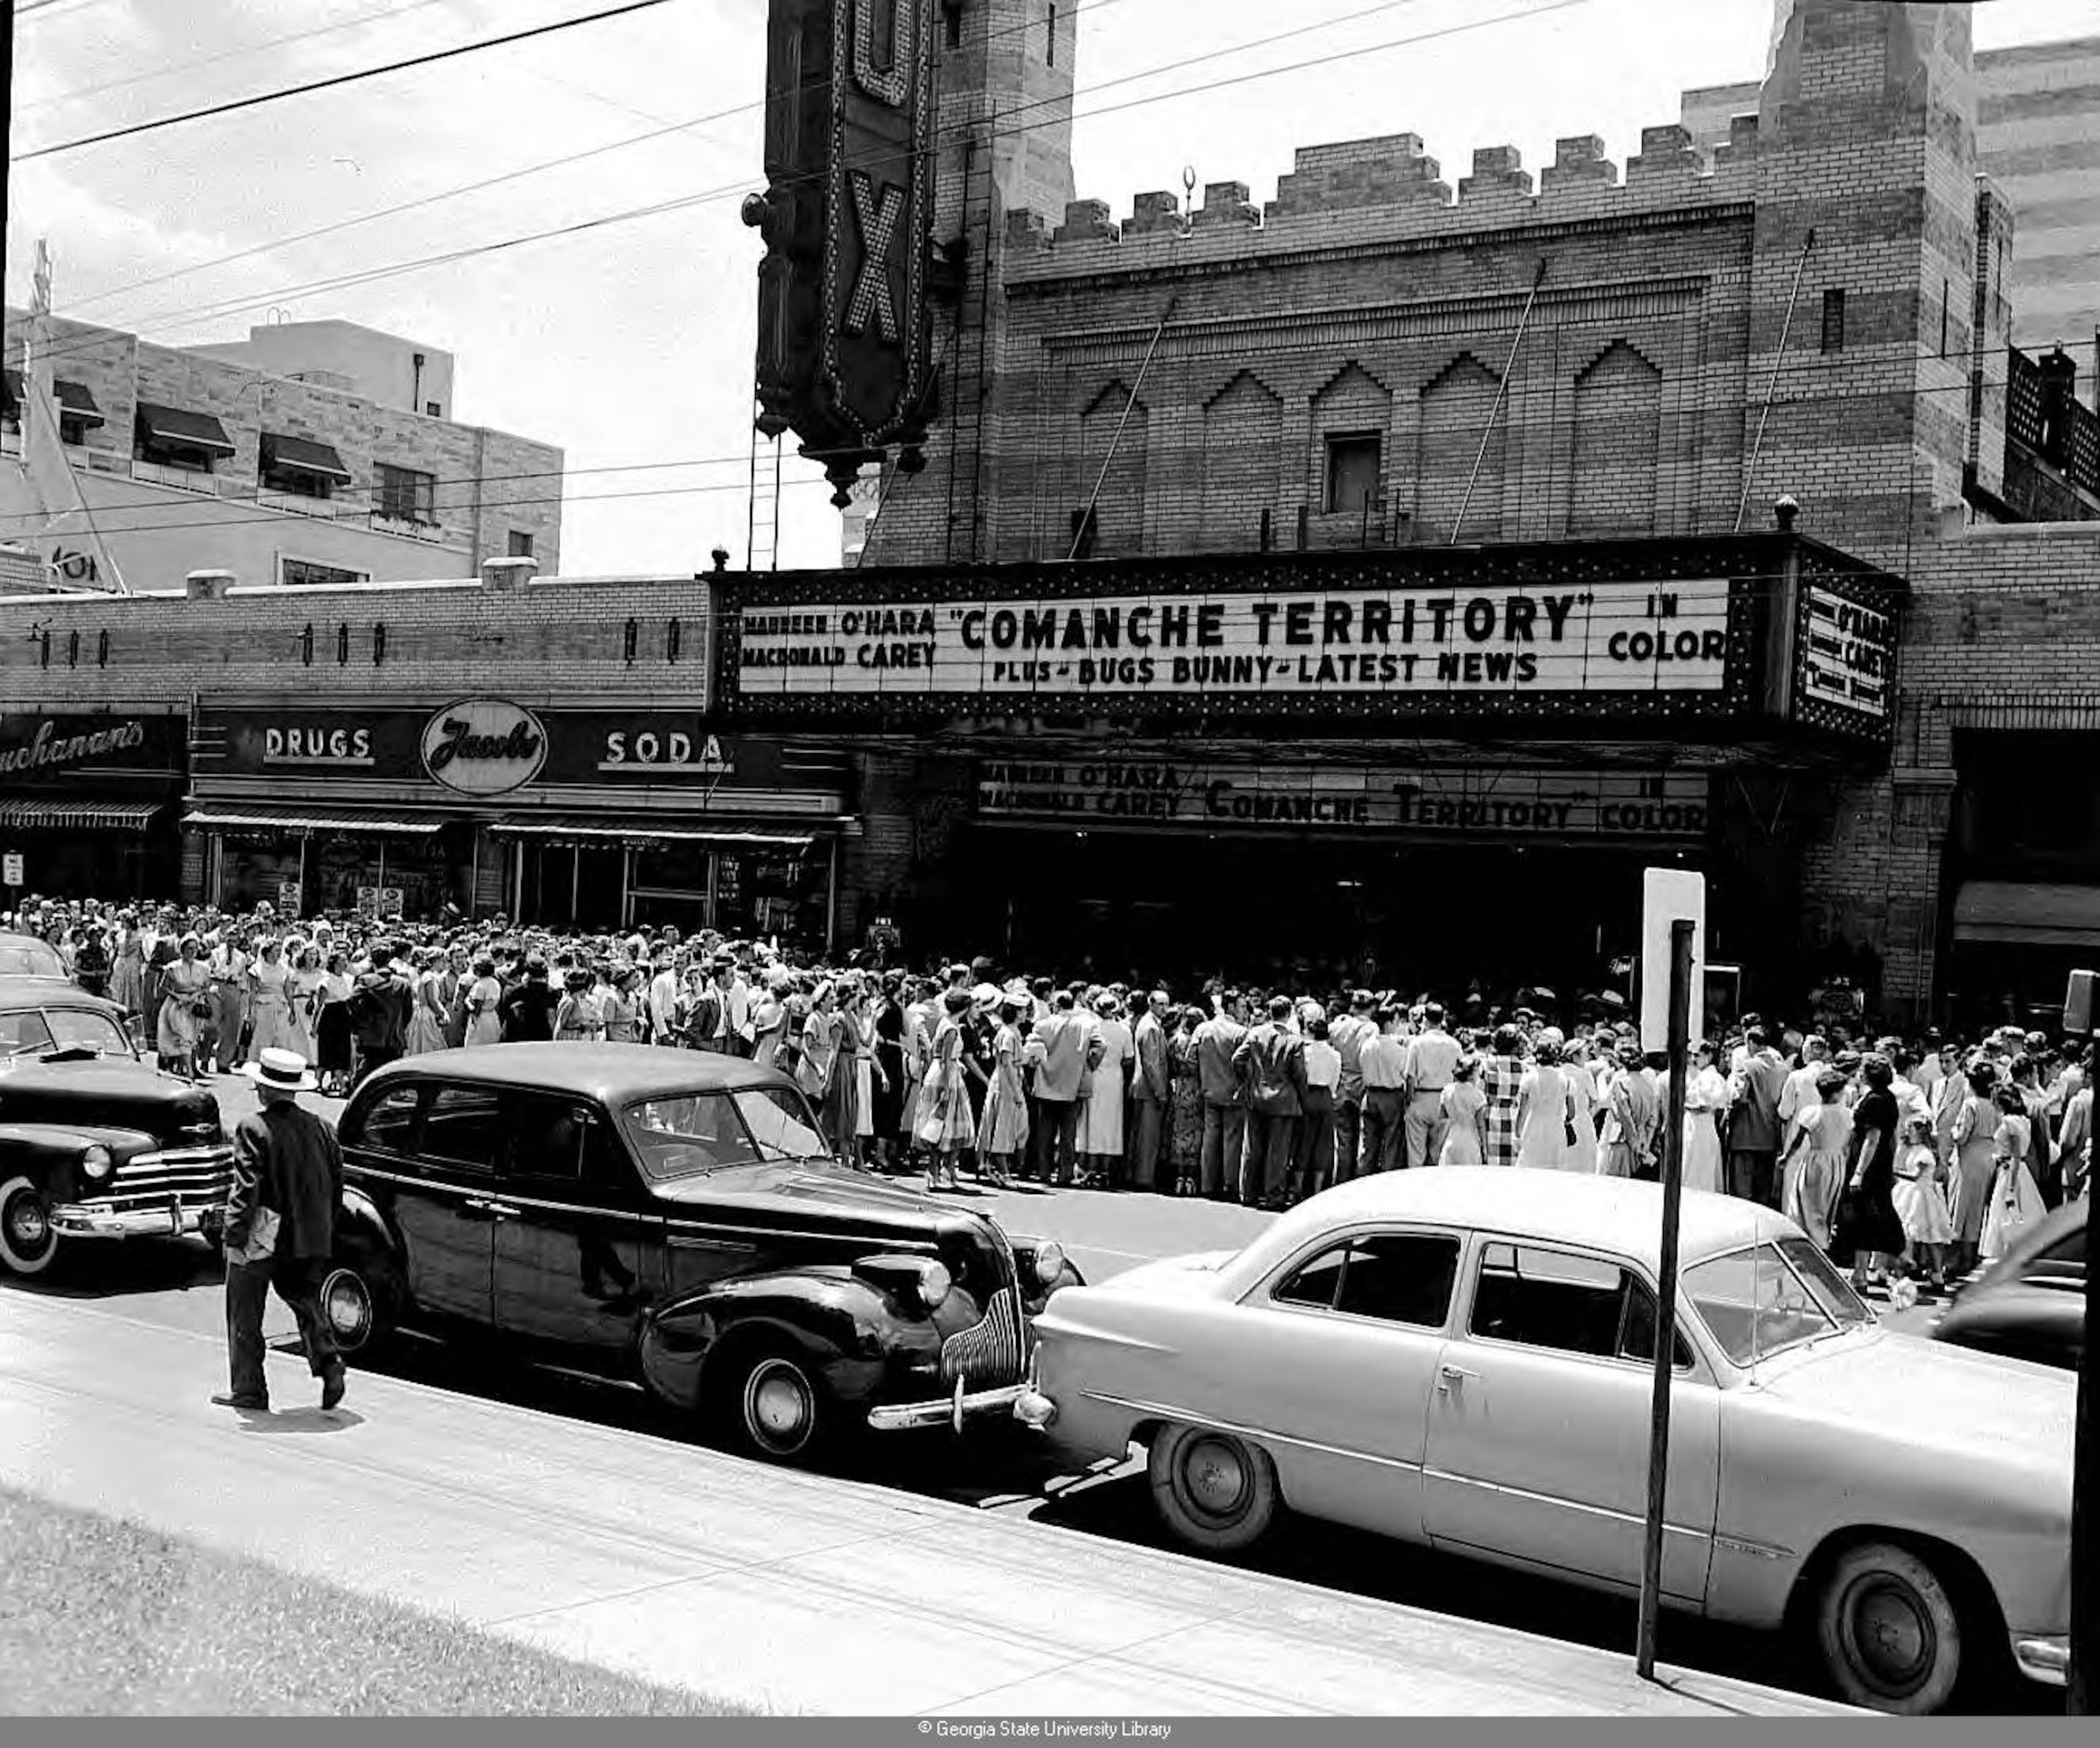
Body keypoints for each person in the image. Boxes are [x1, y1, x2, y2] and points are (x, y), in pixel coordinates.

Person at [209, 1048, 346, 1415]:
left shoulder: (254, 1127)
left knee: (245, 1311)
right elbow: (337, 1185)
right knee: (305, 1301)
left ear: (264, 1089)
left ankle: (249, 1390)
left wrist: (232, 1235)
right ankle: (329, 1362)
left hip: (264, 1232)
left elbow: (246, 1189)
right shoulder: (323, 1127)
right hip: (310, 1233)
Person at [1831, 1056, 1906, 1293]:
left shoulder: (1875, 1101)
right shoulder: (1888, 1098)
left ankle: (1864, 1273)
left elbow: (1872, 1139)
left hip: (1870, 1168)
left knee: (1864, 1218)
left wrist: (1859, 1173)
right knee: (1873, 1217)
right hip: (1880, 1165)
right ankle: (1865, 1272)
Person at [1234, 995, 1306, 1211]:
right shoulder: (1294, 1041)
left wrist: (1246, 1082)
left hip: (1257, 1096)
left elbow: (1237, 1059)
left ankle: (1248, 1192)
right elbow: (1300, 1075)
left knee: (1253, 1147)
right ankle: (1273, 1194)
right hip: (1284, 1100)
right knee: (1278, 1150)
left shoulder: (1255, 1033)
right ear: (1290, 1013)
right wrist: (1302, 1098)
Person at [1780, 1069, 1854, 1252]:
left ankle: (1810, 1238)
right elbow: (1850, 1143)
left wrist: (1786, 1157)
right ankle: (1823, 1241)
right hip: (1837, 1161)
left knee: (1808, 1200)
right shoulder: (1847, 1115)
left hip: (1814, 1160)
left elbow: (1798, 1142)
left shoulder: (1810, 1113)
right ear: (1837, 1093)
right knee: (1828, 1201)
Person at [1979, 1082, 2050, 1264]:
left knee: (2008, 1215)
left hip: (2011, 1172)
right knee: (2019, 1215)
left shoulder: (2009, 1122)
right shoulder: (2024, 1120)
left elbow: (2017, 1155)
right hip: (2019, 1171)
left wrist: (2011, 1187)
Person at [1032, 990, 1095, 1188]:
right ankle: (1065, 1173)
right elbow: (1099, 1047)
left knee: (1045, 1132)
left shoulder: (1043, 1025)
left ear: (1056, 1005)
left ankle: (1044, 1171)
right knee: (1069, 1133)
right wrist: (1088, 1066)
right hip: (1073, 1084)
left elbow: (1033, 1051)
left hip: (1046, 1082)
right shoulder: (1085, 1025)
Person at [919, 988, 978, 1191]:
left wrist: (955, 1063)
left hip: (946, 1072)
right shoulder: (952, 1028)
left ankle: (941, 1171)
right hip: (946, 1077)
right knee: (944, 1125)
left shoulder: (947, 1023)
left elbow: (940, 1053)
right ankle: (936, 1171)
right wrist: (945, 1088)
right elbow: (945, 1058)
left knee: (943, 1126)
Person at [1946, 1061, 2000, 1277]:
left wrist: (1952, 1133)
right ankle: (1969, 1258)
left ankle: (1952, 1260)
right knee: (1977, 1209)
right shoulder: (1996, 1105)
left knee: (1959, 1206)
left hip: (1969, 1156)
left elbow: (1962, 1136)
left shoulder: (1971, 1104)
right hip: (1989, 1155)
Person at [1192, 994, 1247, 1198]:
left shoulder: (1203, 1029)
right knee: (1232, 1141)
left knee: (1210, 1138)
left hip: (1209, 1090)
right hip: (1233, 1092)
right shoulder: (1240, 1032)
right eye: (1242, 1007)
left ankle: (1207, 1184)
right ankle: (1229, 1185)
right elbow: (1245, 1063)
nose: (1245, 1011)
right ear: (1231, 1006)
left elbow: (1191, 1056)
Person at [1891, 1114, 1954, 1289]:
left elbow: (1916, 1176)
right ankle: (1906, 1269)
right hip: (1911, 1193)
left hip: (1921, 1195)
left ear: (1920, 1131)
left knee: (1930, 1235)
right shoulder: (1914, 1150)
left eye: (1911, 1128)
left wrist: (1895, 1173)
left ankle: (1936, 1272)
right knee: (1909, 1234)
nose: (1907, 1132)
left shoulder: (1925, 1154)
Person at [1726, 1026, 1787, 1206]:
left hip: (1746, 1135)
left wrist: (1730, 1119)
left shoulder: (1748, 1066)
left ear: (1751, 1043)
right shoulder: (1784, 1071)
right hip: (1770, 1138)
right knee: (1763, 1194)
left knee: (1742, 1194)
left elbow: (1739, 1098)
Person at [1077, 992, 1132, 1188]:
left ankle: (1091, 1167)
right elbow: (1129, 1057)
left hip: (1095, 1076)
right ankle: (1106, 1171)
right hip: (1114, 1078)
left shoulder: (1092, 1027)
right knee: (1112, 1123)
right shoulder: (1123, 1030)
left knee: (1093, 1121)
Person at [975, 997, 1031, 1188]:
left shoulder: (1010, 1032)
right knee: (1003, 1126)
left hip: (1007, 1081)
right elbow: (1006, 1063)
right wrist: (1017, 1091)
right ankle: (1003, 1170)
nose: (1026, 1013)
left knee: (1009, 1125)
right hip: (1006, 1084)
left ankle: (996, 1167)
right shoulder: (1008, 1034)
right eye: (1023, 1010)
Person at [1402, 1001, 1460, 1169]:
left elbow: (1410, 1078)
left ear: (1425, 1020)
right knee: (1439, 1156)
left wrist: (1408, 1102)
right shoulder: (1454, 1044)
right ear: (1442, 1020)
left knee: (1415, 1156)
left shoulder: (1417, 1043)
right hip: (1444, 1098)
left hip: (1421, 1097)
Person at [1292, 1013, 1340, 1201]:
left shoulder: (1304, 1052)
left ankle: (1297, 1187)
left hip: (1308, 1095)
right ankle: (1317, 1188)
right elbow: (1335, 1080)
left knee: (1303, 1142)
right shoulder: (1334, 1054)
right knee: (1323, 1143)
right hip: (1325, 1096)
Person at [1515, 1035, 1580, 1170]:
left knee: (1530, 1167)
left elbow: (1522, 1109)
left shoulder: (1529, 1078)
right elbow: (1572, 1113)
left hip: (1533, 1126)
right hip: (1556, 1129)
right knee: (1554, 1169)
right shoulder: (1566, 1080)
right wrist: (1566, 1120)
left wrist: (1517, 1132)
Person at [1357, 1006, 1410, 1175]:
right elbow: (1406, 1074)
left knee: (1369, 1144)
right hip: (1392, 1096)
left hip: (1371, 1095)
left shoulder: (1366, 1046)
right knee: (1392, 1143)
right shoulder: (1398, 1050)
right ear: (1389, 1024)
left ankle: (1364, 1176)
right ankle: (1388, 1178)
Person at [1129, 990, 1171, 1194]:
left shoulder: (1150, 1024)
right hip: (1149, 1090)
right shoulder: (1151, 1027)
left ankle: (1140, 1175)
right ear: (1151, 1004)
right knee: (1148, 1137)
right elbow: (1151, 1063)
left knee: (1144, 1136)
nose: (1165, 1009)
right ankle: (1143, 1178)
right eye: (1161, 1005)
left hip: (1145, 1088)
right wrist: (1160, 1091)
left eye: (1167, 1004)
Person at [156, 933, 211, 1080]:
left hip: (195, 1006)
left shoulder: (204, 968)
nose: (192, 952)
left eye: (195, 949)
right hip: (177, 1006)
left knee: (193, 1038)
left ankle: (184, 1068)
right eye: (189, 949)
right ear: (182, 950)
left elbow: (207, 986)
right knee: (183, 1037)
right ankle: (189, 1072)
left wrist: (196, 996)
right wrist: (178, 996)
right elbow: (162, 987)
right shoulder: (173, 968)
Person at [1681, 1040, 1729, 1196]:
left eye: (1698, 1056)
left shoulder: (1711, 1078)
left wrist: (1688, 1107)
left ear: (1709, 1056)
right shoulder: (1703, 1076)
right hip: (1698, 1127)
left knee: (1699, 1168)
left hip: (1701, 1127)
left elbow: (1708, 1105)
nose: (1694, 1060)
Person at [1166, 1006, 1205, 1196]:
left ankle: (1178, 1177)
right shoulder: (1199, 1042)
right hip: (1197, 1089)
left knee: (1178, 1133)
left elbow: (1170, 1066)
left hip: (1180, 1088)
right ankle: (1191, 1177)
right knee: (1195, 1135)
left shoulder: (1175, 1040)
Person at [1478, 1026, 1527, 1169]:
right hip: (1514, 1116)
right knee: (1511, 1164)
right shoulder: (1524, 1067)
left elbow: (1479, 1092)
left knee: (1490, 1164)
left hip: (1490, 1115)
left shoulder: (1486, 1064)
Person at [313, 951, 355, 1094]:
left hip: (345, 1016)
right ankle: (318, 1082)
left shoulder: (350, 979)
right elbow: (319, 1006)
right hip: (330, 1017)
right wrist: (315, 1026)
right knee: (327, 1050)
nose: (345, 963)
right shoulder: (326, 982)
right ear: (335, 963)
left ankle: (341, 1082)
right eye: (342, 960)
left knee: (343, 1050)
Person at [498, 954, 559, 1045]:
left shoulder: (512, 992)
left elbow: (504, 1018)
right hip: (543, 1037)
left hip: (518, 1038)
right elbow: (552, 1018)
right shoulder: (550, 992)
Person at [1437, 1054, 1487, 1164]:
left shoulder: (1447, 1091)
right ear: (1472, 1075)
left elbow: (1442, 1116)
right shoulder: (1478, 1095)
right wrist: (1484, 1148)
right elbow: (1481, 1124)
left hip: (1451, 1139)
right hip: (1470, 1142)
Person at [462, 955, 504, 1047]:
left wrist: (467, 1002)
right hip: (493, 1017)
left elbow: (477, 1009)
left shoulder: (479, 986)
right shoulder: (495, 983)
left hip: (481, 1020)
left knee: (477, 1045)